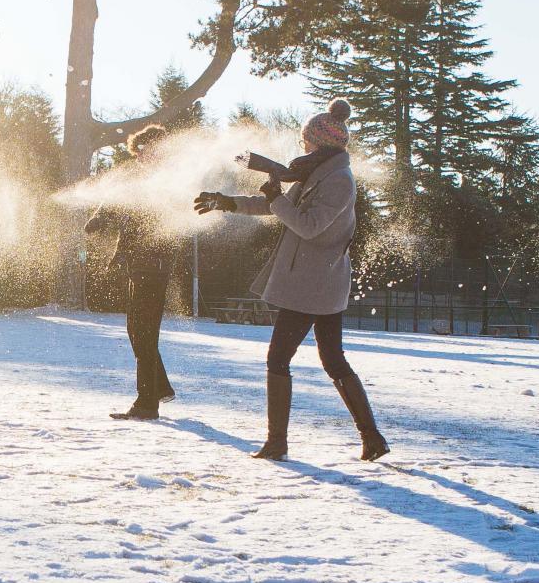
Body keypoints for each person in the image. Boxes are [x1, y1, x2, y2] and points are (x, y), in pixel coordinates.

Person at [195, 100, 388, 462]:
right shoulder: (319, 174)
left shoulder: (338, 182)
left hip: (312, 285)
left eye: (306, 140)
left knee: (278, 358)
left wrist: (278, 199)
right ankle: (372, 438)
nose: (303, 146)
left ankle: (277, 442)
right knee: (333, 361)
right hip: (320, 283)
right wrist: (227, 202)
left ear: (321, 142)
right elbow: (274, 205)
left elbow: (308, 226)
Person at [82, 124, 181, 420]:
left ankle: (146, 403)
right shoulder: (138, 178)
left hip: (155, 265)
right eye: (138, 152)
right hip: (137, 264)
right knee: (136, 330)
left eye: (146, 151)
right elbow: (116, 201)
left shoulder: (170, 180)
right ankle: (159, 388)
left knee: (145, 331)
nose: (140, 157)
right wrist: (99, 218)